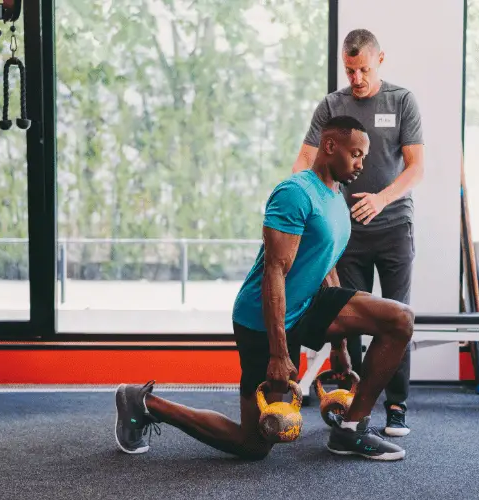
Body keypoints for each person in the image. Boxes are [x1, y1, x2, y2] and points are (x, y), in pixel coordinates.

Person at [114, 115, 415, 461]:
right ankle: (144, 402)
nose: (362, 163)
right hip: (263, 318)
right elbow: (274, 272)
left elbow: (326, 263)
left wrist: (339, 346)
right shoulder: (294, 194)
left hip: (308, 303)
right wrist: (278, 353)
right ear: (330, 146)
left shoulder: (335, 195)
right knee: (253, 444)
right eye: (356, 154)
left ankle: (351, 430)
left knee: (399, 319)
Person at [292, 29, 425, 437]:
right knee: (349, 318)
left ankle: (397, 406)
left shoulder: (401, 101)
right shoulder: (332, 105)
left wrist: (381, 200)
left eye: (363, 69)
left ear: (380, 60)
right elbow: (304, 160)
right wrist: (298, 202)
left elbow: (416, 168)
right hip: (346, 232)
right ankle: (352, 401)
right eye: (350, 70)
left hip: (392, 228)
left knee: (397, 315)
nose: (357, 78)